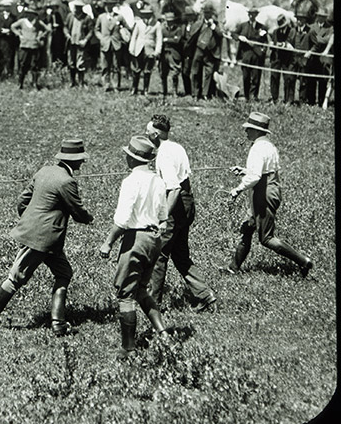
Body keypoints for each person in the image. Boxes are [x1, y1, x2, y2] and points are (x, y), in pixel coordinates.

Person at [0, 139, 94, 337]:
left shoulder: (44, 171)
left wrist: (30, 219)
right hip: (42, 238)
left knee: (64, 273)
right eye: (81, 158)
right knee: (17, 277)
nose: (83, 162)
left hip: (48, 239)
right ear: (74, 159)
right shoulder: (67, 182)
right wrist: (89, 218)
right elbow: (78, 212)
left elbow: (22, 201)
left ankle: (58, 323)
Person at [99, 135, 168, 357]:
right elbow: (163, 215)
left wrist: (108, 243)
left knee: (125, 294)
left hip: (135, 239)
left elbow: (122, 220)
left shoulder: (130, 182)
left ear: (132, 159)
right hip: (154, 238)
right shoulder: (158, 181)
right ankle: (163, 333)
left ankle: (128, 348)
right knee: (140, 289)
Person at [222, 112, 313, 276]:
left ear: (257, 131)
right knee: (247, 228)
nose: (245, 131)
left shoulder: (257, 149)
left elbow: (256, 177)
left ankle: (303, 261)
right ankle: (233, 268)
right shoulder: (269, 146)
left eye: (249, 128)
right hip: (269, 188)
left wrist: (238, 189)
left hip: (263, 193)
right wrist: (245, 170)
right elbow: (265, 170)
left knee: (266, 238)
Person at [145, 115, 216, 312]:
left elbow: (174, 188)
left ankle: (153, 305)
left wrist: (163, 218)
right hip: (187, 203)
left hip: (175, 205)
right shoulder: (176, 147)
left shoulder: (164, 154)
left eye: (147, 131)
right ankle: (205, 294)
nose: (146, 134)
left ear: (156, 134)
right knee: (180, 254)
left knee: (158, 255)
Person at [229, 7, 268, 101]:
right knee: (246, 76)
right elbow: (233, 34)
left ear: (256, 15)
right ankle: (247, 96)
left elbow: (265, 42)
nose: (251, 16)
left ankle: (254, 96)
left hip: (257, 55)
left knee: (256, 77)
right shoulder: (243, 26)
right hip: (245, 54)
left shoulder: (261, 27)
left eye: (253, 14)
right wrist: (239, 37)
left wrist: (263, 52)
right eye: (250, 14)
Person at [188, 5, 224, 99]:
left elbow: (221, 34)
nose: (207, 15)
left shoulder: (216, 24)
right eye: (205, 13)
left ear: (212, 14)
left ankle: (205, 94)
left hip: (210, 52)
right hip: (199, 50)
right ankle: (196, 94)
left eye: (208, 13)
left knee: (209, 72)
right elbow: (192, 35)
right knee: (195, 72)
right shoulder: (199, 23)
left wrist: (213, 27)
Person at [11, 7, 50, 90]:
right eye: (28, 14)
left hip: (34, 46)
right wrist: (19, 34)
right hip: (24, 46)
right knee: (23, 65)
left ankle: (34, 83)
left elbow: (48, 29)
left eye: (32, 14)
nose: (30, 16)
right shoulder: (22, 21)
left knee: (34, 65)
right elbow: (13, 26)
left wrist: (40, 36)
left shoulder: (38, 22)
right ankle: (20, 84)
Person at [128, 7, 161, 95]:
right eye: (144, 14)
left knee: (147, 70)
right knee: (136, 69)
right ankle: (134, 88)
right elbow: (134, 37)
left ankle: (145, 90)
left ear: (151, 15)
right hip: (138, 49)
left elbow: (159, 39)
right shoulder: (139, 23)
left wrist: (157, 51)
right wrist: (131, 48)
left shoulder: (156, 24)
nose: (145, 16)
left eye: (147, 14)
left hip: (150, 49)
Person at [64, 0, 94, 87]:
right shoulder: (70, 16)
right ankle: (72, 82)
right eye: (76, 7)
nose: (77, 9)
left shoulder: (87, 18)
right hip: (71, 43)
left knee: (80, 63)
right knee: (71, 63)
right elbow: (65, 27)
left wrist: (85, 40)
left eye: (79, 7)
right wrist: (67, 34)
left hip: (81, 44)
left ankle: (81, 82)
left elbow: (91, 31)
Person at [269, 14, 297, 104]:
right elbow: (273, 43)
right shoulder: (275, 32)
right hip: (277, 57)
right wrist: (271, 44)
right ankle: (274, 99)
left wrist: (281, 44)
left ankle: (288, 100)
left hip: (288, 59)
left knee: (288, 79)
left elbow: (290, 42)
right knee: (274, 77)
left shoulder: (292, 31)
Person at [159, 11, 185, 97]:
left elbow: (177, 40)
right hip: (164, 53)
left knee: (175, 73)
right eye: (168, 21)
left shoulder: (178, 29)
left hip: (174, 53)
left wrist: (166, 40)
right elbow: (160, 39)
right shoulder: (162, 29)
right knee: (163, 73)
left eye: (171, 21)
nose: (170, 22)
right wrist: (172, 39)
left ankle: (174, 91)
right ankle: (164, 91)